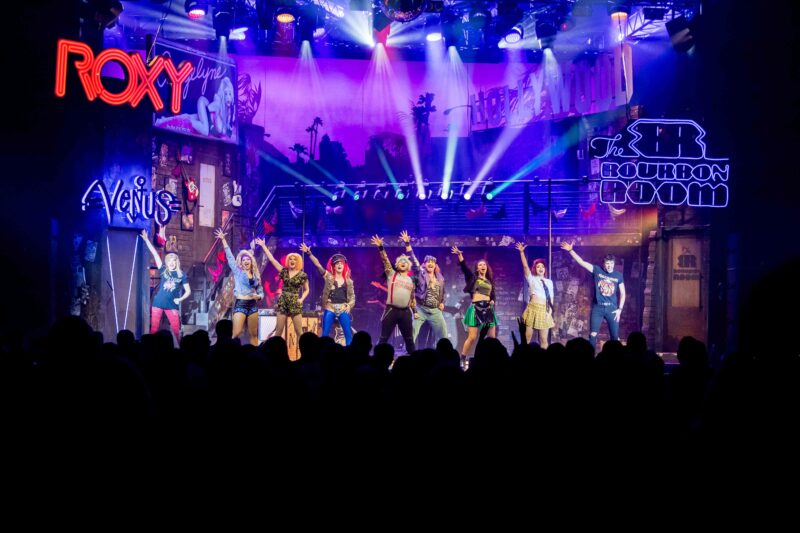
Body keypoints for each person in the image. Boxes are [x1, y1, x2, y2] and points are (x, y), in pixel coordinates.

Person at [560, 241, 625, 351]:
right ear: (604, 264)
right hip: (598, 308)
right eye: (607, 264)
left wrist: (620, 309)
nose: (609, 266)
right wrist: (571, 250)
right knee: (593, 335)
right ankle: (590, 357)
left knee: (615, 337)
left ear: (614, 264)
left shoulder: (618, 275)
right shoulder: (597, 270)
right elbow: (582, 262)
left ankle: (616, 358)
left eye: (611, 264)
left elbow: (623, 293)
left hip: (612, 309)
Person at [214, 228, 264, 345]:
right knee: (236, 333)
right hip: (241, 303)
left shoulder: (256, 275)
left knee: (254, 334)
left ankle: (255, 353)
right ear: (241, 263)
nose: (246, 261)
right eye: (244, 260)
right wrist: (223, 240)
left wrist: (259, 296)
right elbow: (230, 257)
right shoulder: (238, 272)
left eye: (248, 259)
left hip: (253, 305)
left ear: (251, 261)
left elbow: (261, 291)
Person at [299, 243, 355, 346]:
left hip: (343, 308)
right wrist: (309, 253)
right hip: (330, 308)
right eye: (337, 263)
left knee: (348, 334)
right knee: (325, 334)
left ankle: (349, 353)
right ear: (334, 266)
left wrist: (349, 305)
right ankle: (322, 353)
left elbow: (352, 297)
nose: (339, 265)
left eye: (341, 263)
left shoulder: (348, 281)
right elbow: (318, 265)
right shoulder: (329, 277)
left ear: (344, 266)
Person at [255, 237, 309, 342]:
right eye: (290, 259)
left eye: (294, 259)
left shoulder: (302, 275)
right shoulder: (283, 271)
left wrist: (301, 299)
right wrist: (263, 246)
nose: (292, 260)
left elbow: (307, 289)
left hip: (295, 301)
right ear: (288, 261)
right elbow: (272, 259)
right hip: (283, 301)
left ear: (298, 261)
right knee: (278, 331)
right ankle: (276, 350)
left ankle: (304, 350)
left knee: (299, 331)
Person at [141, 228, 190, 342]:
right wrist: (146, 240)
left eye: (174, 261)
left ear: (176, 262)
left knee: (176, 330)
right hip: (158, 302)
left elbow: (188, 291)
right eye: (169, 261)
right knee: (154, 330)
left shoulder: (181, 275)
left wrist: (180, 299)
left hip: (172, 304)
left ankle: (179, 349)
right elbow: (155, 254)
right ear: (167, 262)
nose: (171, 263)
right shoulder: (163, 270)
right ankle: (151, 349)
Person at [451, 245, 497, 369]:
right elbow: (465, 268)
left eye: (484, 265)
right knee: (472, 337)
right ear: (477, 268)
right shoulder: (473, 279)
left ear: (487, 267)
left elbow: (493, 295)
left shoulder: (490, 281)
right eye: (480, 265)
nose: (482, 266)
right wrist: (460, 255)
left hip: (488, 309)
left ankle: (491, 360)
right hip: (476, 308)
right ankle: (462, 358)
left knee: (492, 338)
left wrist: (493, 300)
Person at [399, 230, 447, 347]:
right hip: (421, 309)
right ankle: (408, 352)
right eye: (428, 262)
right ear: (424, 264)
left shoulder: (440, 278)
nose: (430, 263)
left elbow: (443, 293)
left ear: (435, 265)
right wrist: (407, 244)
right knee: (412, 332)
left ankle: (446, 353)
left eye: (433, 262)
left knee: (444, 336)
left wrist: (442, 302)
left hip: (435, 311)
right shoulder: (421, 273)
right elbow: (413, 259)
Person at [370, 235, 416, 354]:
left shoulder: (411, 280)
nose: (403, 263)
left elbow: (412, 298)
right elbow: (385, 260)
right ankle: (377, 359)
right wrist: (381, 247)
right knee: (384, 338)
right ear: (397, 265)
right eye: (400, 261)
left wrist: (415, 311)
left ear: (409, 266)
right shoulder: (392, 274)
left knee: (409, 340)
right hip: (391, 310)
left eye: (405, 262)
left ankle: (414, 359)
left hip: (406, 312)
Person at [155, 76, 235, 139]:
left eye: (230, 94)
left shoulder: (229, 114)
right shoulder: (218, 105)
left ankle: (163, 120)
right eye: (226, 94)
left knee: (187, 116)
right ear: (222, 95)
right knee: (204, 130)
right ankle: (182, 121)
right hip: (203, 104)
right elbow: (208, 109)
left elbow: (226, 133)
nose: (228, 97)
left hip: (206, 118)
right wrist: (209, 122)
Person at [515, 242, 555, 348]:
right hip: (532, 309)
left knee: (543, 339)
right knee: (527, 338)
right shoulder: (532, 279)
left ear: (545, 269)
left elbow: (551, 298)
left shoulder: (549, 282)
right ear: (535, 269)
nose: (540, 268)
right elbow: (525, 266)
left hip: (544, 310)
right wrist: (522, 252)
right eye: (538, 267)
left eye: (542, 266)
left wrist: (549, 313)